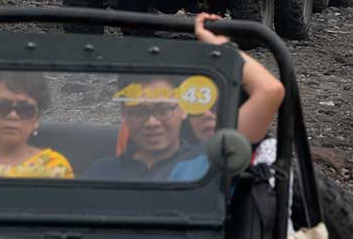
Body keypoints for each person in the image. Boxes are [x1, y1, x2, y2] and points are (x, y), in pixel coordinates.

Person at [85, 13, 285, 181]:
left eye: (163, 109)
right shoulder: (101, 172)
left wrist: (221, 49)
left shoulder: (212, 157)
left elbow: (270, 91)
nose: (151, 122)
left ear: (182, 110)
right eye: (139, 111)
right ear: (124, 114)